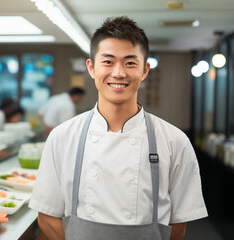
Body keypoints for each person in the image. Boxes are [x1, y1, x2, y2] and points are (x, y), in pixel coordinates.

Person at [29, 16, 208, 240]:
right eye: (108, 61)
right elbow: (47, 216)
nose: (119, 73)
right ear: (91, 68)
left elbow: (178, 224)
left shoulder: (174, 141)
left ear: (144, 71)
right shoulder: (62, 137)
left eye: (130, 63)